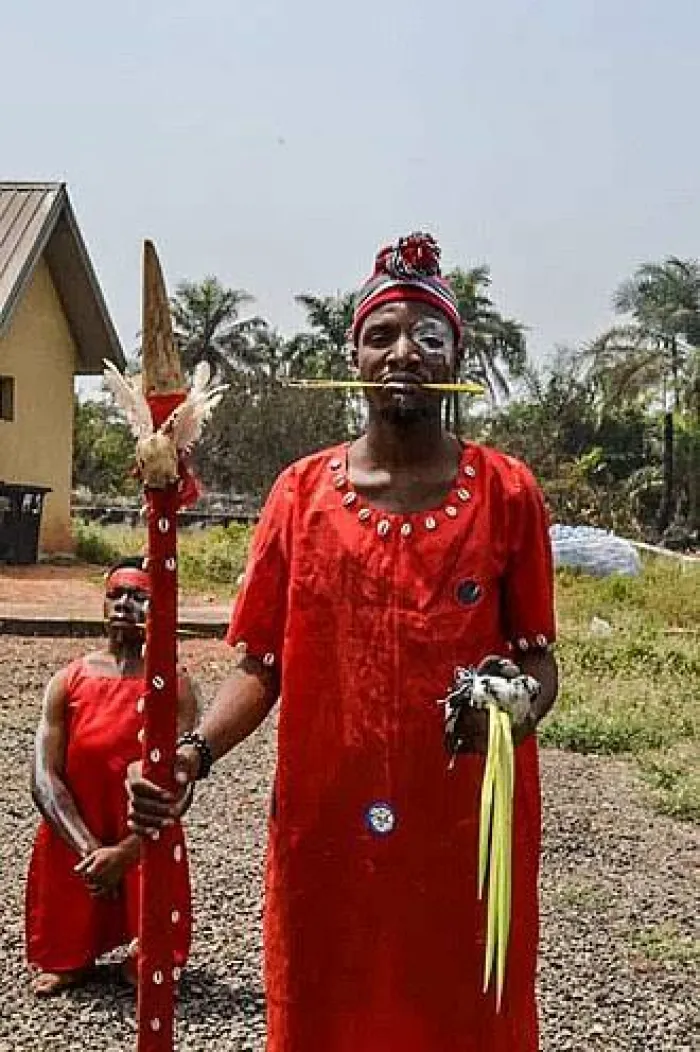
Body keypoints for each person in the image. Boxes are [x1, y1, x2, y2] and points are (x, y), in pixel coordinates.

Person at [127, 232, 559, 1051]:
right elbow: (261, 665)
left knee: (466, 1014)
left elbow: (538, 659)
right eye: (381, 335)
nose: (404, 353)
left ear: (457, 359)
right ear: (353, 357)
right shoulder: (300, 494)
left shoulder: (507, 493)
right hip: (326, 824)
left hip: (466, 827)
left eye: (428, 337)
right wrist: (192, 753)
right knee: (325, 1006)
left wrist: (513, 704)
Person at [26, 556, 196, 996]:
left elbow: (181, 787)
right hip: (78, 827)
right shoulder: (68, 680)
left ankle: (145, 960)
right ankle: (68, 958)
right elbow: (44, 775)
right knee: (65, 869)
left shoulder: (173, 685)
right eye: (116, 595)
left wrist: (123, 854)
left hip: (142, 830)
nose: (124, 605)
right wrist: (89, 849)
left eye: (138, 596)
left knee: (156, 887)